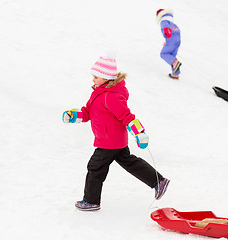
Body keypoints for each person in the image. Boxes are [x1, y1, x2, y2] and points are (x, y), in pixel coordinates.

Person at [62, 53, 170, 211]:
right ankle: (158, 182)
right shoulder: (98, 93)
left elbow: (127, 116)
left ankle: (91, 201)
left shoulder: (111, 97)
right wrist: (74, 116)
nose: (93, 80)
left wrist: (139, 133)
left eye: (96, 77)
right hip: (113, 141)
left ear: (106, 78)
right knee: (129, 162)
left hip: (109, 142)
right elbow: (87, 113)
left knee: (95, 167)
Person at [156, 9, 182, 79]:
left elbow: (166, 29)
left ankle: (175, 63)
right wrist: (168, 40)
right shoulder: (173, 23)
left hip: (171, 39)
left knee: (164, 54)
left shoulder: (164, 21)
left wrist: (168, 35)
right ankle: (175, 73)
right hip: (177, 40)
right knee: (171, 55)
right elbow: (176, 32)